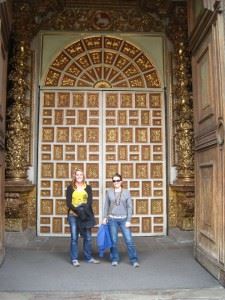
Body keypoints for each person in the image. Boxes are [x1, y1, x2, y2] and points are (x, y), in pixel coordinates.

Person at [103, 173, 140, 267]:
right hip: (112, 219)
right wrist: (104, 217)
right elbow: (106, 206)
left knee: (129, 240)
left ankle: (134, 260)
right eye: (114, 181)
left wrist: (129, 220)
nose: (116, 182)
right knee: (114, 241)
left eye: (117, 180)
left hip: (124, 219)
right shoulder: (109, 191)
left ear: (121, 181)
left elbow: (129, 207)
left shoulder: (126, 192)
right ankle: (115, 258)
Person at [66, 168, 100, 267]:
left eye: (81, 175)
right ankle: (74, 259)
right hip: (73, 215)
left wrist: (83, 210)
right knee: (74, 238)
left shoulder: (88, 187)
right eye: (77, 175)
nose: (79, 176)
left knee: (88, 237)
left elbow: (89, 202)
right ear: (74, 176)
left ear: (83, 176)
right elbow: (68, 203)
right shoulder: (70, 188)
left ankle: (88, 257)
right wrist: (78, 211)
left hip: (85, 215)